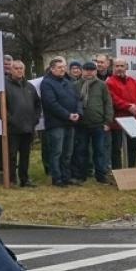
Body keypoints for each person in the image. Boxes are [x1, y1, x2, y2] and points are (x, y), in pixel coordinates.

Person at [39, 57, 82, 187]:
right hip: (56, 124)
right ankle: (56, 178)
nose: (62, 69)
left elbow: (78, 99)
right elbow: (51, 104)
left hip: (70, 123)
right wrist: (68, 115)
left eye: (64, 67)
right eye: (59, 67)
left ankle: (66, 176)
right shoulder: (47, 83)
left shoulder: (68, 82)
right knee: (56, 152)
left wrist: (78, 113)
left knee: (67, 153)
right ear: (52, 69)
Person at [3, 59, 41, 187]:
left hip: (28, 127)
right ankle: (12, 179)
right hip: (12, 128)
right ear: (11, 70)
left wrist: (35, 119)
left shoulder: (29, 86)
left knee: (25, 155)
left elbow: (37, 104)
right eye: (16, 68)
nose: (19, 71)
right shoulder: (5, 86)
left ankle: (25, 179)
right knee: (12, 155)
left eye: (21, 68)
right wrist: (10, 120)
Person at [75, 61, 114, 184]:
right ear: (82, 71)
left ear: (95, 71)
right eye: (86, 70)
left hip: (98, 123)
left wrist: (107, 121)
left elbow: (108, 103)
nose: (89, 72)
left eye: (91, 70)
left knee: (100, 151)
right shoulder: (75, 85)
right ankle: (82, 175)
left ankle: (101, 175)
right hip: (81, 124)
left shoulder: (102, 85)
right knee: (81, 150)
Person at [106, 58, 136, 168]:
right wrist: (128, 106)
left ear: (126, 67)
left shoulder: (133, 81)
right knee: (116, 148)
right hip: (117, 121)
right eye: (117, 66)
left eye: (122, 66)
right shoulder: (109, 82)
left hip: (133, 120)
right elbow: (113, 98)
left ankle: (131, 168)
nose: (119, 68)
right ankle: (117, 171)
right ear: (113, 67)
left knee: (133, 147)